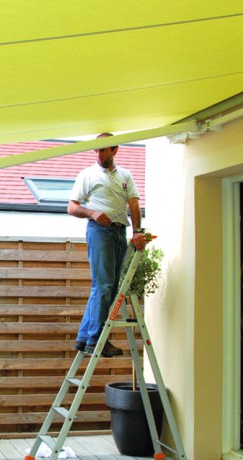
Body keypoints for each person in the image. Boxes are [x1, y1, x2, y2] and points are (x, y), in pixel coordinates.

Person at [68, 133, 147, 357]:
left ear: (115, 150)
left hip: (120, 232)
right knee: (103, 286)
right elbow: (72, 207)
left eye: (104, 150)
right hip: (99, 232)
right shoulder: (87, 175)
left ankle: (85, 338)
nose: (99, 154)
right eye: (97, 150)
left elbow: (133, 204)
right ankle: (96, 340)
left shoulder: (125, 175)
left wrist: (137, 231)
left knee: (109, 287)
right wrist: (92, 212)